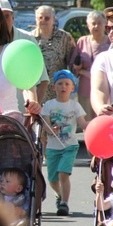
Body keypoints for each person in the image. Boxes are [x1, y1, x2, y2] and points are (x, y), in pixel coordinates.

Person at [41, 70, 88, 217]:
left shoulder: (75, 106)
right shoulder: (48, 105)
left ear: (72, 88)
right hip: (52, 148)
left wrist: (99, 121)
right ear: (54, 87)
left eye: (67, 84)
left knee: (63, 174)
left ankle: (64, 204)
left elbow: (83, 123)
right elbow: (45, 125)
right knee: (52, 180)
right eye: (60, 84)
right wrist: (51, 129)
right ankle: (60, 195)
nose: (63, 86)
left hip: (70, 146)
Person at [0, 0, 49, 113]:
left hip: (22, 116)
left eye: (6, 16)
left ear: (13, 17)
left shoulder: (27, 40)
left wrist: (33, 109)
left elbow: (43, 80)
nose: (3, 20)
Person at [32, 5, 76, 102]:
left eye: (47, 18)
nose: (43, 20)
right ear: (36, 19)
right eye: (40, 18)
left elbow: (72, 62)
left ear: (53, 19)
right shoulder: (30, 38)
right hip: (36, 90)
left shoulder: (65, 37)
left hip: (59, 89)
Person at [71, 10, 110, 119]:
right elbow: (73, 67)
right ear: (88, 26)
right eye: (93, 23)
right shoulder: (82, 41)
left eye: (99, 23)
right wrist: (77, 68)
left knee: (103, 120)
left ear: (105, 25)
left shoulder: (111, 43)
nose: (96, 26)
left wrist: (83, 72)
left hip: (105, 90)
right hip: (85, 90)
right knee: (86, 122)